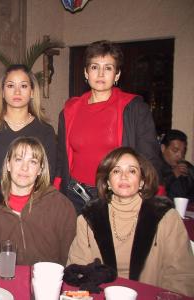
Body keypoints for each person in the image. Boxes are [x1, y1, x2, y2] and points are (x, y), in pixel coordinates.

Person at [67, 147, 194, 297]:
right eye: (116, 171)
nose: (124, 176)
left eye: (132, 171)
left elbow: (181, 277)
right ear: (108, 182)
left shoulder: (165, 218)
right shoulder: (89, 219)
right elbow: (76, 271)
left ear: (141, 181)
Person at [56, 40, 162, 214]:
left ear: (117, 74)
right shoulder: (69, 110)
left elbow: (149, 157)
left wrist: (147, 196)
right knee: (76, 241)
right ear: (86, 72)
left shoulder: (134, 108)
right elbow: (62, 157)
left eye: (108, 68)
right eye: (95, 67)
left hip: (114, 194)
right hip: (73, 193)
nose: (101, 74)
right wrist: (57, 189)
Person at [0, 137, 76, 265]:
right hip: (1, 283)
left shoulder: (60, 206)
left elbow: (71, 262)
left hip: (48, 283)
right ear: (8, 165)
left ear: (40, 169)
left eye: (33, 162)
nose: (24, 168)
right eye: (19, 159)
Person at [0, 64, 56, 190]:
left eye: (23, 86)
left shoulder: (45, 131)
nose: (17, 91)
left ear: (32, 92)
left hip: (30, 203)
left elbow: (48, 175)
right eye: (10, 86)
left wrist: (4, 182)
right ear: (2, 92)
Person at [161, 129, 194, 200]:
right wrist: (173, 175)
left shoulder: (188, 168)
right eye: (175, 150)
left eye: (183, 152)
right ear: (163, 148)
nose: (180, 155)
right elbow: (152, 189)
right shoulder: (154, 166)